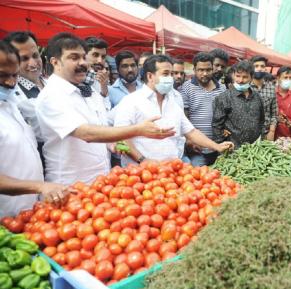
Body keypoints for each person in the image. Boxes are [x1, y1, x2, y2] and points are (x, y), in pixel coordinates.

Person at [35, 33, 175, 185]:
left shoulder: (91, 92)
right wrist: (138, 130)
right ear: (55, 62)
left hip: (101, 179)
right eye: (74, 58)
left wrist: (112, 144)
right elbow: (86, 133)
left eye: (83, 57)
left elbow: (101, 126)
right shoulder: (51, 95)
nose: (83, 63)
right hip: (69, 184)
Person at [113, 54, 233, 163]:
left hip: (172, 170)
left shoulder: (173, 101)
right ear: (150, 76)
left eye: (171, 74)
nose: (171, 78)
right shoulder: (131, 101)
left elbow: (191, 132)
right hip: (140, 174)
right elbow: (120, 138)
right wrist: (143, 160)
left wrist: (217, 146)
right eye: (166, 74)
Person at [0, 40, 69, 216]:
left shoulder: (11, 105)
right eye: (2, 76)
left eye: (15, 75)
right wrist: (39, 186)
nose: (10, 82)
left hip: (28, 210)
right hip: (5, 215)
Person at [180, 52, 226, 166]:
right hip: (197, 148)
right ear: (194, 70)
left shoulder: (222, 88)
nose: (205, 73)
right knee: (199, 177)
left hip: (218, 146)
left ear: (212, 69)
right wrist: (189, 140)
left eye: (208, 70)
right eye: (200, 70)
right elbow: (183, 117)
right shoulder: (186, 87)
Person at [4, 31, 46, 142]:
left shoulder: (52, 83)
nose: (33, 63)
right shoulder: (10, 95)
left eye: (35, 55)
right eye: (24, 59)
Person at [212, 60, 265, 148]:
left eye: (245, 77)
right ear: (233, 75)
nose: (240, 80)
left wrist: (262, 139)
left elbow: (261, 121)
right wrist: (222, 147)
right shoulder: (224, 97)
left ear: (251, 78)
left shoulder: (257, 97)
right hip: (232, 150)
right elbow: (216, 126)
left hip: (254, 149)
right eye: (238, 76)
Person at [250, 55, 277, 141]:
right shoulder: (246, 88)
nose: (259, 68)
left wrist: (272, 132)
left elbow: (274, 113)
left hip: (266, 134)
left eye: (262, 66)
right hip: (249, 134)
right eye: (256, 66)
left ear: (265, 68)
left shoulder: (271, 88)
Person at [275, 66, 291, 139]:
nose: (288, 80)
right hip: (271, 137)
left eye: (290, 78)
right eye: (285, 77)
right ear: (278, 78)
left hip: (288, 138)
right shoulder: (271, 94)